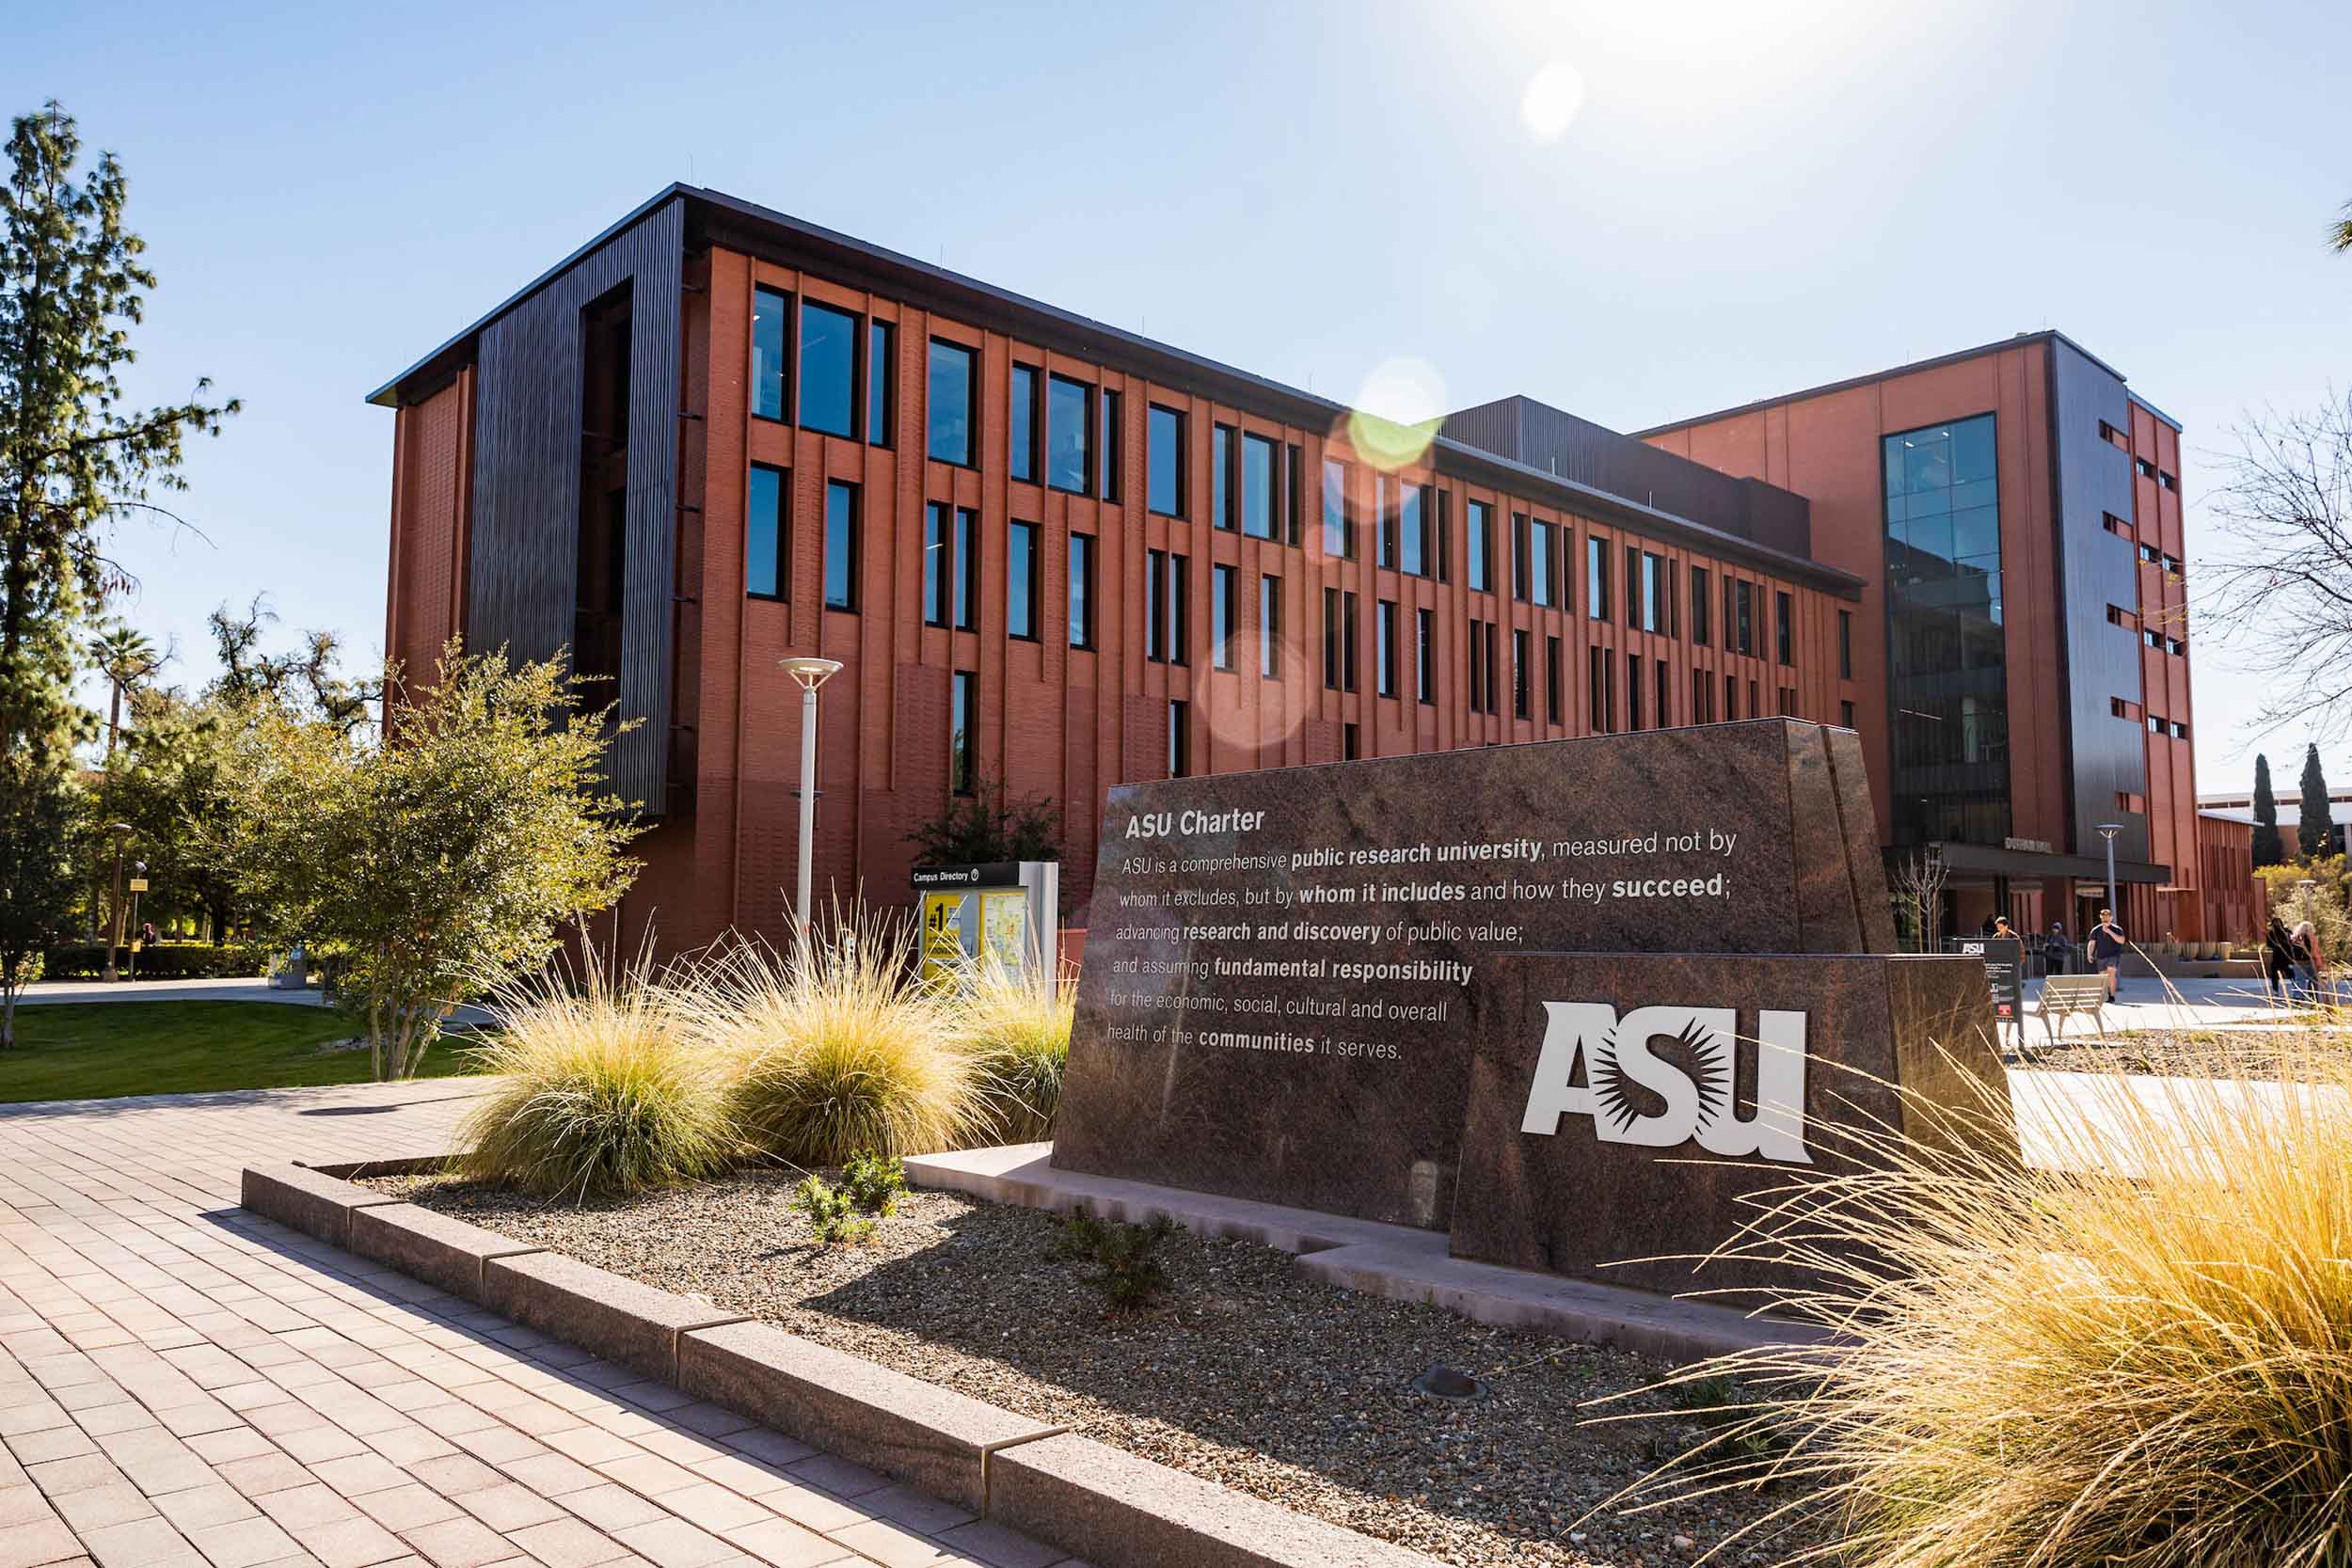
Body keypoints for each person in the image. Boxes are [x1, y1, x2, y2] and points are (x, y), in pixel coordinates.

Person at [2090, 908, 2128, 999]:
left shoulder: (2117, 929)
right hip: (2101, 956)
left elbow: (2122, 941)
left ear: (2111, 918)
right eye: (2103, 917)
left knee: (2111, 972)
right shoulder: (2096, 930)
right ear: (2100, 917)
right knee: (2103, 976)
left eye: (2107, 917)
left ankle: (2112, 995)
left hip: (2113, 955)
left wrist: (2109, 931)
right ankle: (2107, 993)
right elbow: (2091, 943)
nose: (2105, 919)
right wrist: (2089, 954)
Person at [2263, 915, 2297, 1001]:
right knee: (2275, 975)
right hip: (2277, 957)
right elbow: (2269, 944)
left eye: (2278, 922)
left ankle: (2297, 990)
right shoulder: (2271, 933)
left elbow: (2292, 942)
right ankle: (2275, 991)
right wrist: (2277, 946)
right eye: (2275, 923)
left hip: (2286, 957)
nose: (2276, 924)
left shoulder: (2287, 932)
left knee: (2291, 974)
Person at [2290, 918, 2322, 1004]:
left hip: (2297, 962)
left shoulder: (2294, 938)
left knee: (2299, 980)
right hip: (2310, 961)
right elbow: (2315, 951)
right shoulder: (2312, 938)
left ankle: (2298, 998)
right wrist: (2319, 962)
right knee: (2313, 980)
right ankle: (2313, 997)